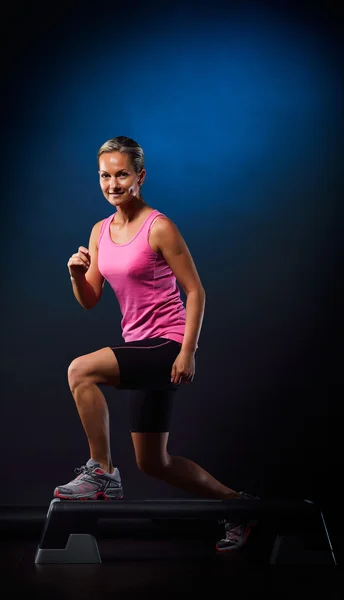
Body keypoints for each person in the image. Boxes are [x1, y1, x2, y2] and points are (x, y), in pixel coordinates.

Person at [54, 135, 258, 552]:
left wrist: (188, 351)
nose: (113, 184)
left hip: (166, 344)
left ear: (140, 176)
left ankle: (102, 474)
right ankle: (241, 507)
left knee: (80, 369)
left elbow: (196, 291)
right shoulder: (100, 231)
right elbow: (90, 300)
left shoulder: (159, 226)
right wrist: (77, 274)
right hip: (140, 347)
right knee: (154, 462)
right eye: (105, 176)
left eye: (122, 174)